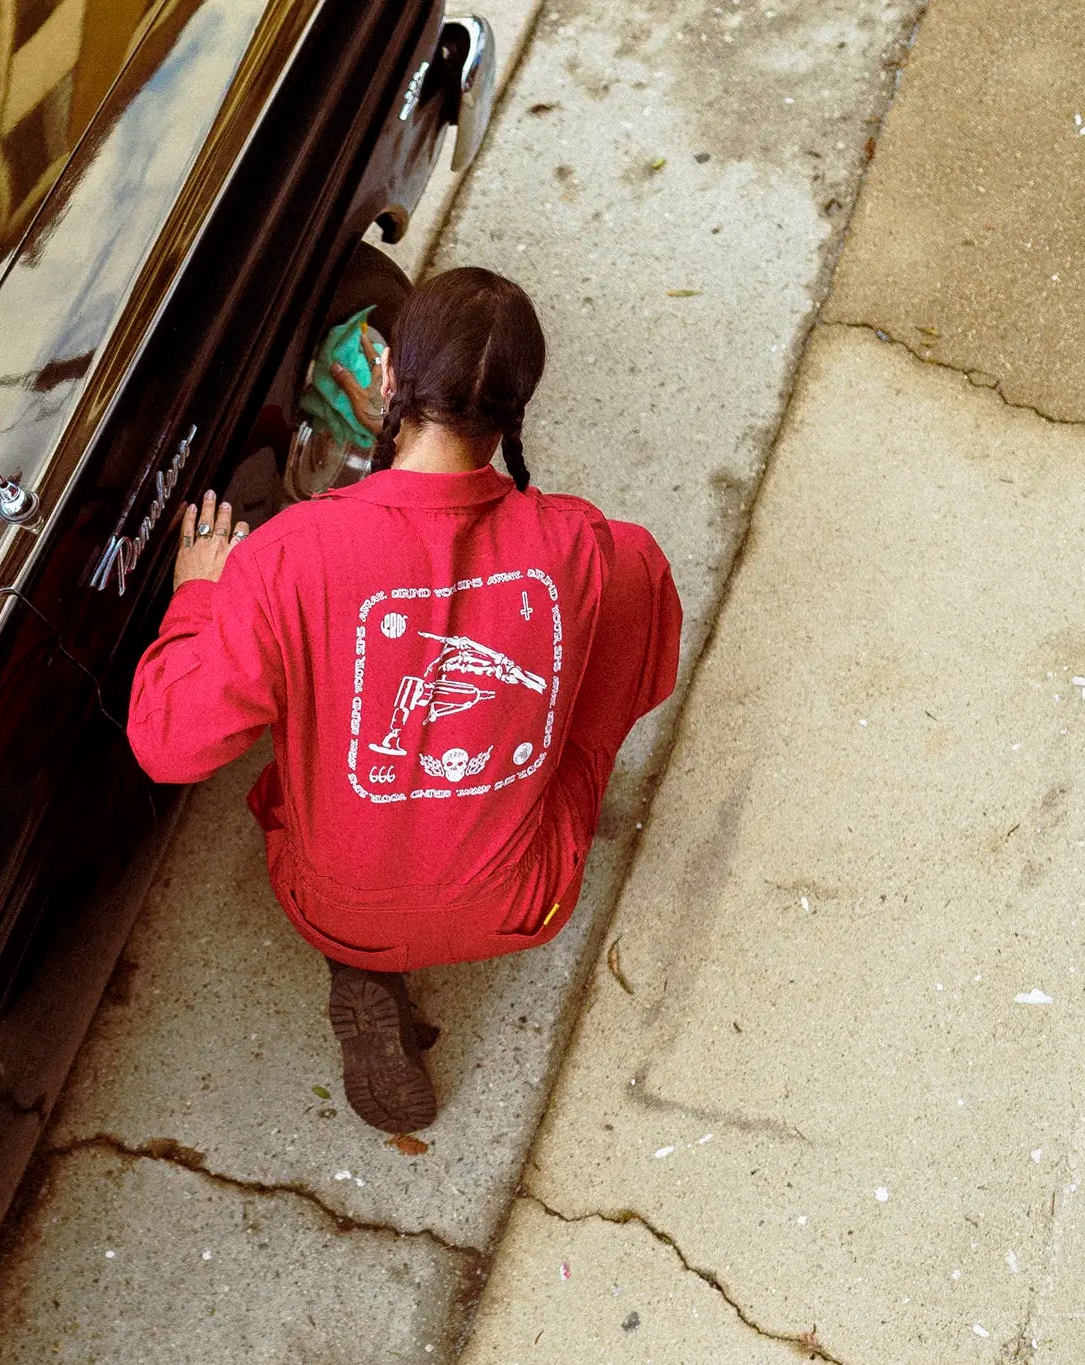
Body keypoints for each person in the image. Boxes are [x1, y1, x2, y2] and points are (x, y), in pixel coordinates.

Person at [124, 267, 681, 1133]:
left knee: (313, 776)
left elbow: (170, 744)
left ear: (388, 380)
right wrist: (562, 706)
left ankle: (364, 963)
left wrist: (201, 595)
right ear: (512, 410)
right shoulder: (584, 543)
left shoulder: (287, 556)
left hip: (335, 904)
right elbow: (641, 656)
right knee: (608, 635)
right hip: (525, 900)